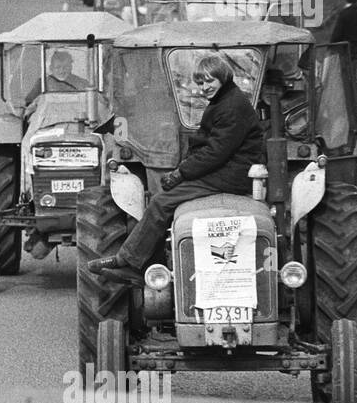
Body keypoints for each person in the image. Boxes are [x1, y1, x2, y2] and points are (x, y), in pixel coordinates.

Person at [89, 53, 264, 283]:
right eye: (200, 83)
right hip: (226, 169)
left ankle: (131, 262)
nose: (204, 88)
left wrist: (181, 172)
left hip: (231, 174)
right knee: (165, 198)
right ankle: (148, 261)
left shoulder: (231, 106)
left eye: (210, 81)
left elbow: (215, 153)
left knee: (162, 202)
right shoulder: (226, 100)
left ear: (223, 77)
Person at [25, 49, 91, 105]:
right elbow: (29, 104)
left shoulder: (82, 83)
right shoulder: (42, 83)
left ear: (71, 67)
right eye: (58, 67)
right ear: (51, 68)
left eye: (66, 67)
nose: (62, 71)